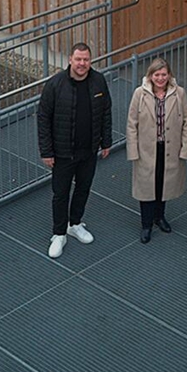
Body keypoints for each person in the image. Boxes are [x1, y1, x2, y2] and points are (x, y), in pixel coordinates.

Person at [37, 42, 112, 259]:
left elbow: (106, 112)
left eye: (86, 59)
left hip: (88, 150)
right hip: (62, 153)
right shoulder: (55, 85)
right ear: (70, 59)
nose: (82, 63)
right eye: (78, 59)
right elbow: (43, 119)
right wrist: (46, 151)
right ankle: (59, 233)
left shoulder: (98, 81)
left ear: (90, 61)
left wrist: (106, 141)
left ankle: (75, 223)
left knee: (83, 188)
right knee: (60, 194)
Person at [126, 57, 187, 243]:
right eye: (157, 75)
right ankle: (146, 224)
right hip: (147, 150)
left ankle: (160, 217)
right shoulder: (139, 94)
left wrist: (185, 149)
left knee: (164, 183)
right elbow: (131, 124)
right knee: (147, 186)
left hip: (170, 148)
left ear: (169, 75)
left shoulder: (179, 93)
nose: (160, 78)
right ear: (150, 76)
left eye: (164, 74)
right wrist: (133, 151)